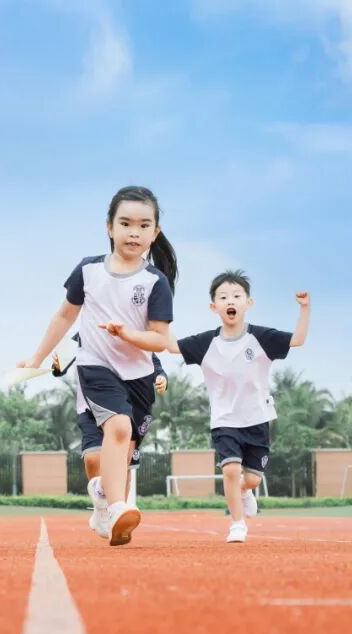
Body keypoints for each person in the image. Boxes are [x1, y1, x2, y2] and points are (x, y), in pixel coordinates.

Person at [21, 185, 176, 546]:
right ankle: (119, 507)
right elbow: (64, 316)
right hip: (96, 366)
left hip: (139, 376)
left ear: (155, 232)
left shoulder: (156, 282)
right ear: (109, 226)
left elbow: (159, 340)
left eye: (143, 225)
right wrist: (36, 359)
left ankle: (103, 497)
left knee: (121, 453)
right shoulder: (89, 270)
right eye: (125, 223)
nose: (134, 232)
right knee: (118, 428)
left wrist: (128, 335)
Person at [168, 270, 309, 543]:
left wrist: (304, 308)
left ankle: (245, 491)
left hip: (257, 419)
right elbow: (171, 346)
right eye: (223, 297)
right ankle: (237, 523)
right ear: (214, 306)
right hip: (224, 421)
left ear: (248, 302)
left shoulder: (262, 337)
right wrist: (156, 320)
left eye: (236, 296)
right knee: (231, 469)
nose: (230, 300)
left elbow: (298, 340)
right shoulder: (205, 343)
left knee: (253, 479)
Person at [53, 337, 168, 538]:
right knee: (92, 458)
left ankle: (117, 512)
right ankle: (101, 506)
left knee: (123, 463)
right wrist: (56, 366)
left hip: (128, 406)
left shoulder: (134, 332)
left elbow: (152, 360)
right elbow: (60, 365)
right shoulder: (84, 334)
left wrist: (161, 377)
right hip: (90, 405)